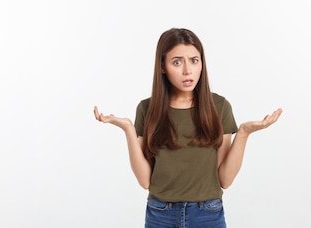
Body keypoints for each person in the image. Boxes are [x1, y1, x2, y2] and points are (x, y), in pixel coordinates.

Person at [93, 28, 282, 228]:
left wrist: (243, 133)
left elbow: (224, 180)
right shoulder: (147, 109)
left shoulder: (219, 107)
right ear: (163, 67)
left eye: (194, 60)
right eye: (177, 62)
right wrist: (128, 130)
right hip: (160, 215)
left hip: (207, 215)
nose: (187, 70)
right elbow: (145, 181)